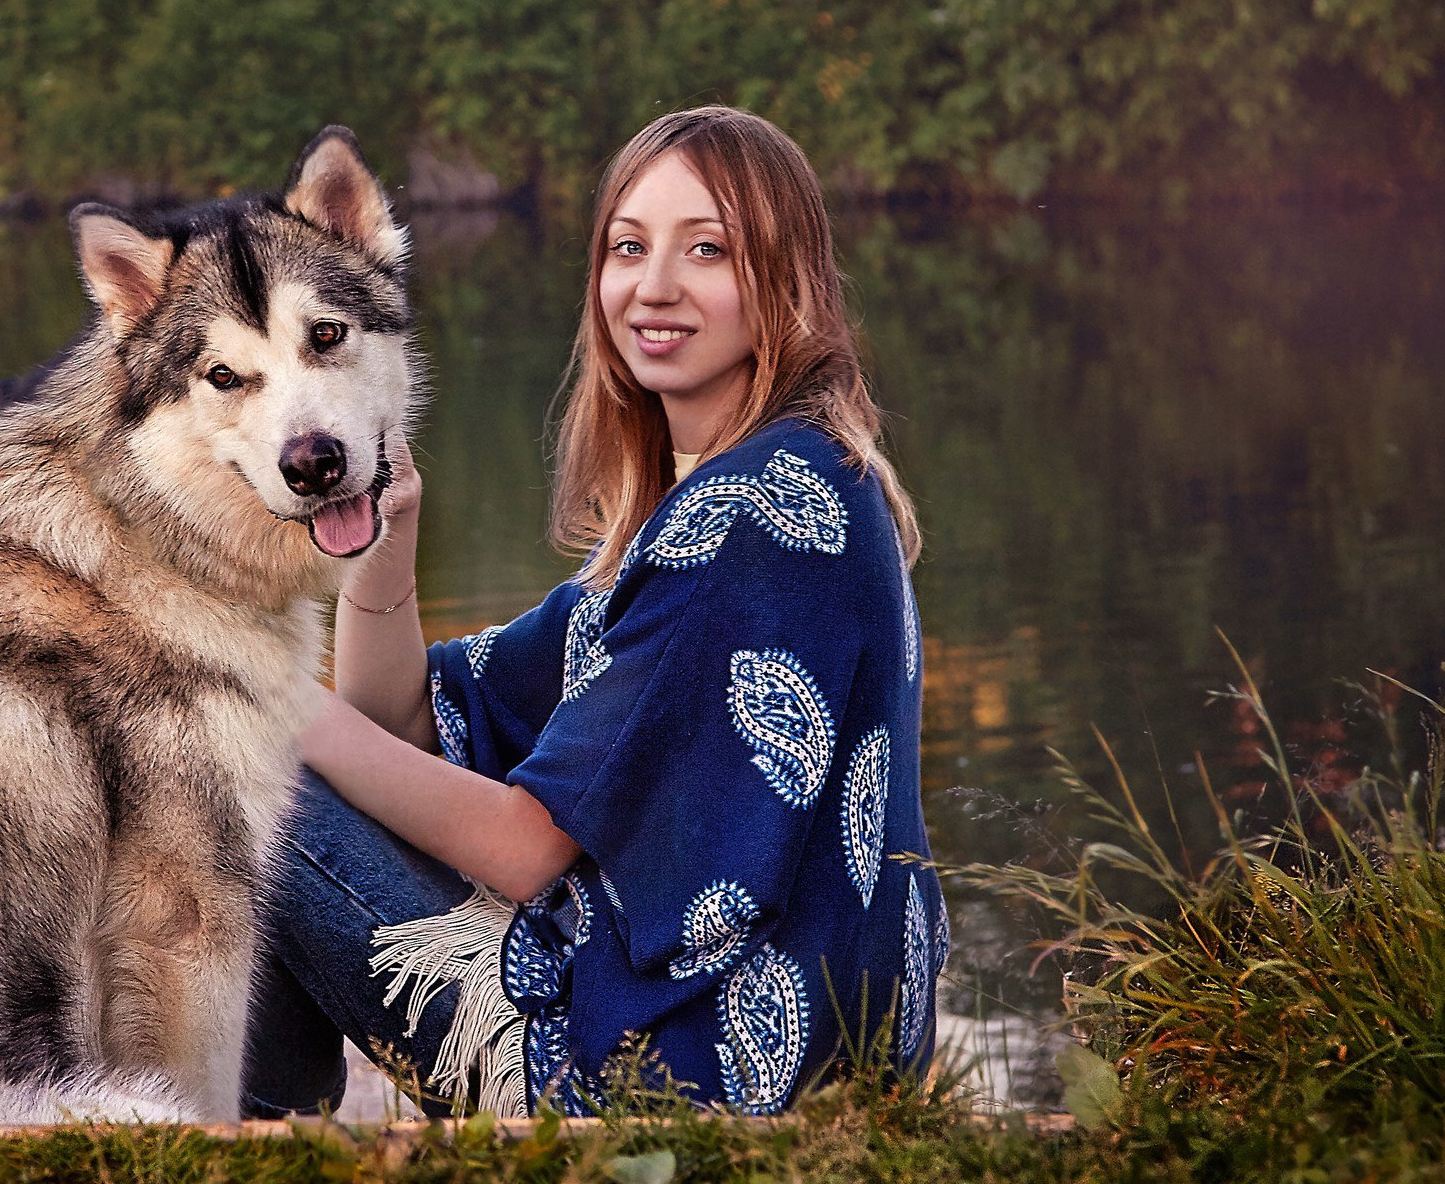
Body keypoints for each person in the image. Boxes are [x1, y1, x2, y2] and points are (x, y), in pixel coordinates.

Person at [241, 106, 944, 1117]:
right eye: (627, 247)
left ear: (782, 281)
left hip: (658, 1081)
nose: (653, 285)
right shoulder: (784, 485)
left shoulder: (746, 520)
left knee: (242, 780)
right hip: (772, 1066)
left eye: (707, 249)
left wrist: (263, 704)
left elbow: (525, 851)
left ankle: (238, 1153)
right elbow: (403, 722)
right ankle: (248, 1144)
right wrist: (387, 545)